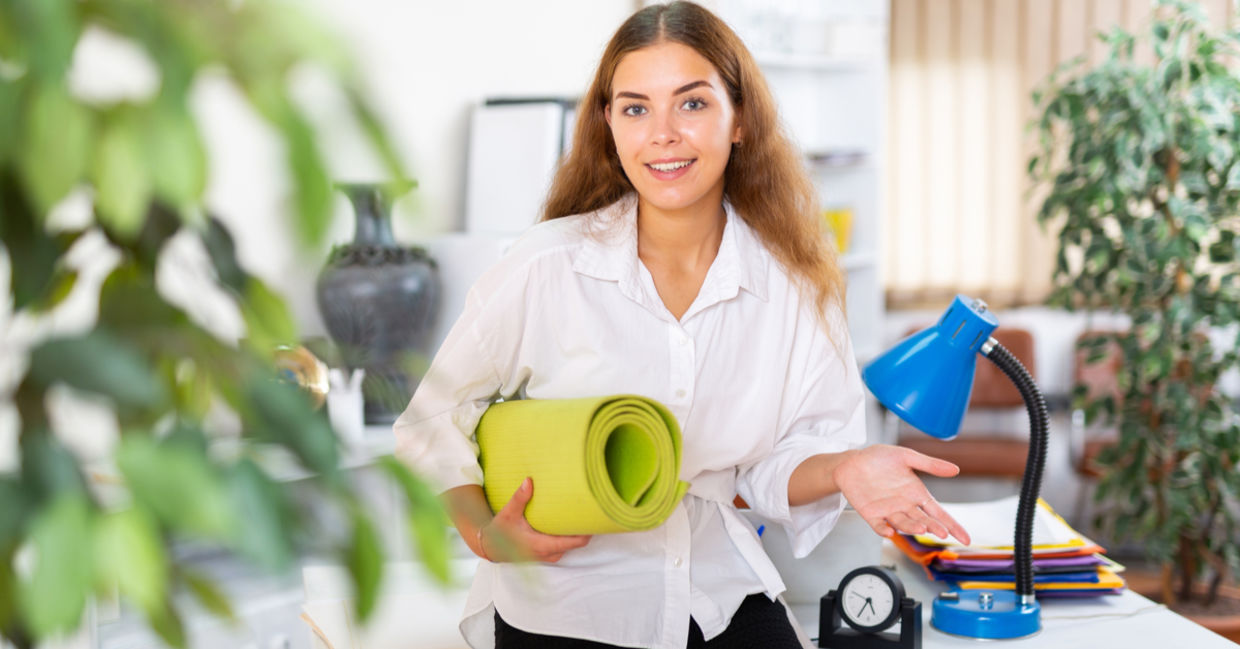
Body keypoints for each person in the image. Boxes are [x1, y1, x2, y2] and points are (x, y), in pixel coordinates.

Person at [394, 3, 970, 648]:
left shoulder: (796, 284)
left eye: (691, 104)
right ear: (608, 123)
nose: (662, 133)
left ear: (740, 118)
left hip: (718, 593)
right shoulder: (545, 266)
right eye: (636, 108)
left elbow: (771, 468)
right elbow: (431, 419)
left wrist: (843, 467)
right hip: (565, 605)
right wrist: (485, 535)